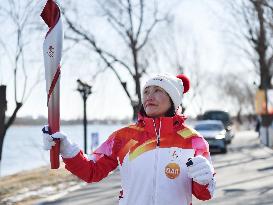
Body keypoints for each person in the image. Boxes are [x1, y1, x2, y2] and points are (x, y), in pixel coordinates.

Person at [42, 73, 216, 205]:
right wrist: (67, 150)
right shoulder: (124, 137)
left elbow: (203, 194)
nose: (149, 96)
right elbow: (92, 171)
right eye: (146, 91)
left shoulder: (193, 140)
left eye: (158, 91)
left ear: (173, 99)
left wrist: (205, 180)